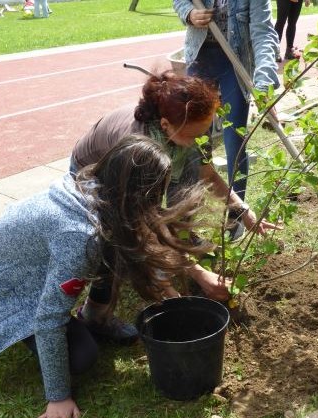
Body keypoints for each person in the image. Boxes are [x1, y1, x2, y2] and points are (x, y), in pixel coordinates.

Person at [0, 135, 214, 418]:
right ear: (138, 194)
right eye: (156, 195)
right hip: (9, 295)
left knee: (119, 249)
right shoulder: (80, 237)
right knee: (83, 356)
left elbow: (140, 243)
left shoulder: (99, 192)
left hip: (24, 271)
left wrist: (180, 287)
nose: (159, 203)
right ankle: (68, 333)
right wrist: (58, 397)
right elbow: (48, 318)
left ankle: (94, 317)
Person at [70, 71, 282, 344]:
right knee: (114, 239)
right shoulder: (138, 148)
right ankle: (95, 315)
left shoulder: (191, 129)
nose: (200, 140)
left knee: (189, 175)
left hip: (153, 164)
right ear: (166, 124)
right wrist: (196, 274)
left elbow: (208, 175)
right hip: (94, 175)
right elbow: (140, 225)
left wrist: (241, 209)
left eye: (203, 133)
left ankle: (177, 249)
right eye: (194, 136)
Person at [173, 0, 280, 204]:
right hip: (200, 58)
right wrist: (189, 13)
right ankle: (187, 210)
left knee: (235, 143)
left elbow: (263, 33)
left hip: (235, 62)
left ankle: (235, 215)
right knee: (193, 142)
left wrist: (264, 84)